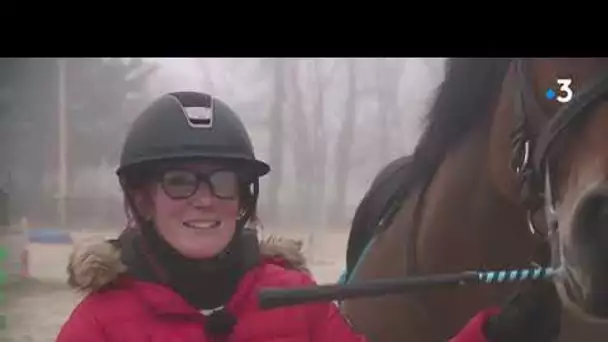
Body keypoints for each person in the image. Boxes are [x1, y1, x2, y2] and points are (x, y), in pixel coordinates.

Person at [56, 91, 561, 342]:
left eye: (223, 182)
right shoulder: (97, 325)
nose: (204, 199)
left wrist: (490, 335)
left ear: (243, 199)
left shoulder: (297, 303)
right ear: (143, 201)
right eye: (180, 181)